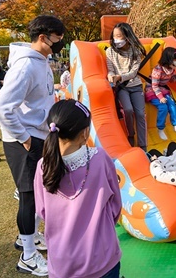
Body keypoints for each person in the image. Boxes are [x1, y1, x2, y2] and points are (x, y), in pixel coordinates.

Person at [0, 15, 66, 276]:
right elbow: (1, 108)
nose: (61, 43)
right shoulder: (25, 66)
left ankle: (31, 238)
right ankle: (28, 256)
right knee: (28, 196)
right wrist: (23, 137)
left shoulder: (42, 61)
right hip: (24, 140)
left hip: (39, 136)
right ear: (44, 37)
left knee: (39, 192)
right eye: (58, 38)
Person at [33, 100, 122, 278]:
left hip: (62, 264)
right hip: (102, 258)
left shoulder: (42, 166)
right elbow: (115, 205)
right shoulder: (100, 159)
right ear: (85, 133)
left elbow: (42, 211)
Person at [106, 22, 148, 151]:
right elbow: (110, 69)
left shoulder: (135, 51)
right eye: (114, 36)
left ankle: (143, 145)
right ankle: (131, 133)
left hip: (135, 86)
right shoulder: (110, 51)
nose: (116, 39)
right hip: (122, 88)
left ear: (127, 36)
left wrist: (120, 77)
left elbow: (134, 72)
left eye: (119, 36)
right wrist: (111, 76)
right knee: (128, 110)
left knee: (140, 114)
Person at [145, 47, 176, 140]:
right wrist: (161, 97)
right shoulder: (158, 70)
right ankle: (160, 128)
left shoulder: (171, 69)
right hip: (153, 91)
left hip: (163, 90)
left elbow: (172, 80)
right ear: (168, 59)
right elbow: (155, 86)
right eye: (175, 60)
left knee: (173, 105)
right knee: (163, 107)